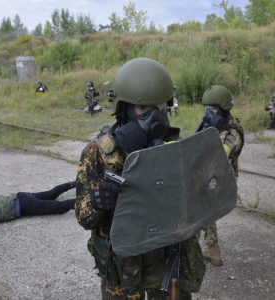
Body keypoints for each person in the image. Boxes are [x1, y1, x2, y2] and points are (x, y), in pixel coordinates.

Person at [75, 58, 204, 299]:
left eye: (161, 108)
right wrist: (96, 201)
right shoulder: (98, 153)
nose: (156, 117)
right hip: (121, 272)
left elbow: (197, 208)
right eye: (144, 109)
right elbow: (83, 218)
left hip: (166, 266)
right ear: (123, 109)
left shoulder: (175, 149)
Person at [200, 85, 244, 266]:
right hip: (214, 176)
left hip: (221, 179)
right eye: (206, 109)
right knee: (203, 210)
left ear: (223, 109)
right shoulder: (217, 126)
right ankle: (211, 250)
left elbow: (218, 158)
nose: (208, 114)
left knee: (203, 210)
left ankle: (210, 251)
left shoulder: (233, 133)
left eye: (212, 109)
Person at [0, 181, 76, 237]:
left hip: (25, 206)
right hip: (21, 196)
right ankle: (74, 184)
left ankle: (85, 202)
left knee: (58, 207)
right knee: (51, 194)